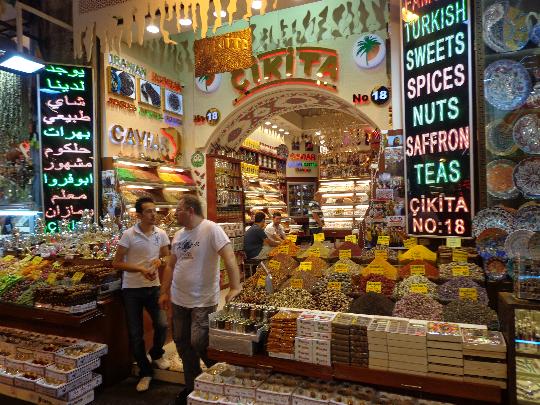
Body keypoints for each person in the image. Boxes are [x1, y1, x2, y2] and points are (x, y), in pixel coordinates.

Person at [159, 195, 242, 405]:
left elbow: (229, 256)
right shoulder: (178, 234)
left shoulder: (211, 228)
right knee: (182, 343)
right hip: (179, 298)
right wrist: (164, 291)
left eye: (178, 209)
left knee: (200, 341)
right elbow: (170, 265)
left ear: (190, 210)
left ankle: (221, 380)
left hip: (203, 299)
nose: (175, 213)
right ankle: (192, 387)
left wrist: (235, 286)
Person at [112, 197, 171, 392]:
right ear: (138, 215)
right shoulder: (129, 235)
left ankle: (156, 353)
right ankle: (145, 372)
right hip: (131, 290)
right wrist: (139, 269)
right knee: (136, 334)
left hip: (153, 286)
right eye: (148, 211)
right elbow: (117, 262)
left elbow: (167, 256)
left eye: (154, 210)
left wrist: (159, 262)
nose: (153, 214)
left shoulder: (160, 233)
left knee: (162, 324)